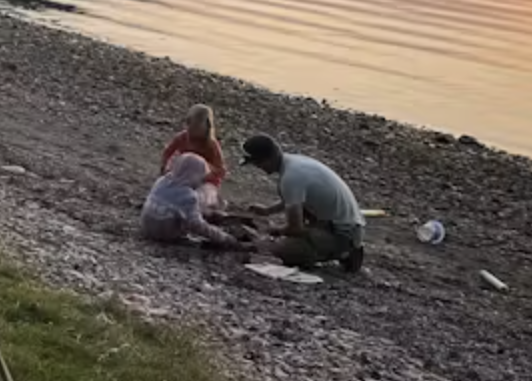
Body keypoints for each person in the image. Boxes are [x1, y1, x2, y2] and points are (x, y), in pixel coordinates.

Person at [238, 133, 366, 273]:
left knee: (277, 250)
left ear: (267, 159)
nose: (258, 168)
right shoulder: (294, 163)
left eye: (257, 163)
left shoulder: (291, 178)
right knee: (286, 237)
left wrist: (273, 231)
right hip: (348, 225)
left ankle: (344, 252)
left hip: (342, 234)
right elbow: (296, 199)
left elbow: (295, 228)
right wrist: (267, 211)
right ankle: (327, 241)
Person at [140, 153, 252, 250]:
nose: (200, 181)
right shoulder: (188, 195)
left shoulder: (162, 181)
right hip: (165, 235)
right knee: (203, 242)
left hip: (146, 228)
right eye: (200, 177)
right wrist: (223, 238)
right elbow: (197, 226)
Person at [159, 104, 227, 213]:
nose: (191, 131)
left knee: (200, 203)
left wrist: (204, 169)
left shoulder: (211, 145)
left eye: (196, 127)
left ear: (206, 127)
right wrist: (164, 168)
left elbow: (221, 170)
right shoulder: (182, 137)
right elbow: (167, 152)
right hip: (184, 177)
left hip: (204, 181)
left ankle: (214, 202)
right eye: (189, 126)